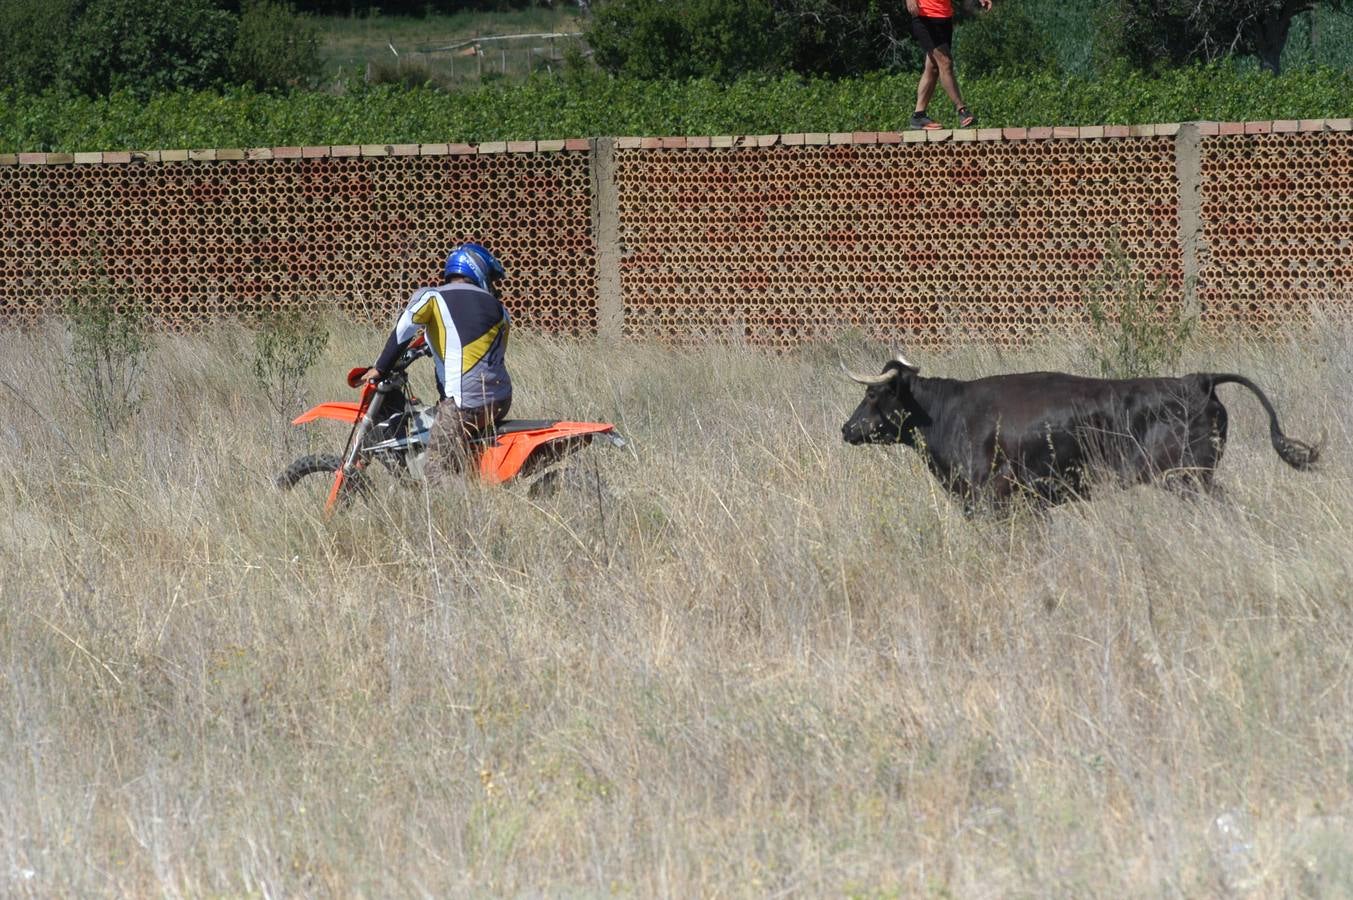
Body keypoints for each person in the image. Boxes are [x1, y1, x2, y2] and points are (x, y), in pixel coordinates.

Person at [359, 242, 512, 483]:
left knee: (435, 471)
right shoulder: (500, 310)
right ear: (477, 271)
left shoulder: (432, 296)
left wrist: (380, 368)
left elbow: (403, 331)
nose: (492, 286)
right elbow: (468, 344)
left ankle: (470, 511)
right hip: (500, 401)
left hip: (464, 405)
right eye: (492, 279)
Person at [907, 0, 991, 130]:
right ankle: (962, 110)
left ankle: (918, 116)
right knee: (945, 62)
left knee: (933, 68)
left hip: (944, 18)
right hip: (924, 17)